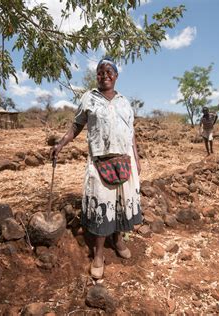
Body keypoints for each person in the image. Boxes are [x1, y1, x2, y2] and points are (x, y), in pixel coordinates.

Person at [50, 57, 142, 279]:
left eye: (109, 71)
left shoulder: (124, 102)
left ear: (116, 75)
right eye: (100, 72)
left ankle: (118, 240)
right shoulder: (89, 98)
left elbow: (131, 133)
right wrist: (61, 143)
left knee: (120, 204)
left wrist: (137, 158)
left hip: (124, 159)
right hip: (100, 161)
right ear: (96, 76)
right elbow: (76, 126)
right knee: (102, 206)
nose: (105, 75)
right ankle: (99, 254)